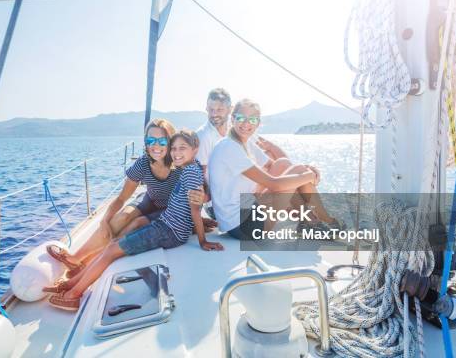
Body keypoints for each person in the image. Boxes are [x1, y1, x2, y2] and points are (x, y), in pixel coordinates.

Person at [48, 130, 224, 310]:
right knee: (114, 244)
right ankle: (73, 283)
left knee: (112, 251)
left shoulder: (191, 173)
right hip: (165, 224)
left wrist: (203, 241)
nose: (176, 153)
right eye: (173, 148)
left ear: (195, 149)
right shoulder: (189, 167)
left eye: (182, 148)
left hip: (169, 232)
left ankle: (74, 295)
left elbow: (195, 209)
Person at [44, 119, 207, 276]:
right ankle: (76, 258)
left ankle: (95, 260)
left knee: (136, 225)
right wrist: (104, 220)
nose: (156, 146)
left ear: (170, 142)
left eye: (162, 141)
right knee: (123, 217)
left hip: (169, 211)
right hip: (149, 201)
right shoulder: (143, 164)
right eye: (151, 140)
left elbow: (205, 192)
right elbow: (122, 198)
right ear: (145, 142)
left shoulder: (181, 161)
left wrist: (201, 202)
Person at [208, 98, 339, 240]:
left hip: (243, 212)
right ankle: (322, 221)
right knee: (297, 173)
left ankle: (310, 221)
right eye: (241, 118)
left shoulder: (245, 142)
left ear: (257, 123)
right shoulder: (229, 147)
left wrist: (305, 170)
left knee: (284, 164)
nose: (246, 123)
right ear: (232, 119)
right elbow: (274, 183)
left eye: (252, 120)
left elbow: (279, 165)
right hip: (243, 226)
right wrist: (309, 176)